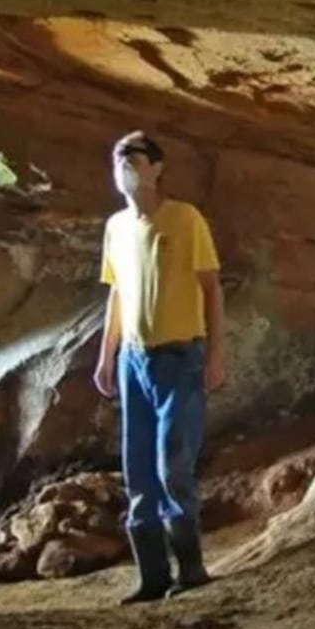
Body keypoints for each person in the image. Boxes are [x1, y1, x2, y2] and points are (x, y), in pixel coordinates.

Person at [93, 131, 226, 604]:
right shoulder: (116, 227)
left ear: (156, 168)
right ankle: (152, 576)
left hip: (179, 356)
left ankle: (190, 568)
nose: (123, 163)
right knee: (138, 466)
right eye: (117, 157)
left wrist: (216, 354)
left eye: (132, 156)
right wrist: (106, 355)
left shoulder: (184, 219)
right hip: (134, 359)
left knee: (173, 461)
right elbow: (117, 293)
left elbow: (211, 287)